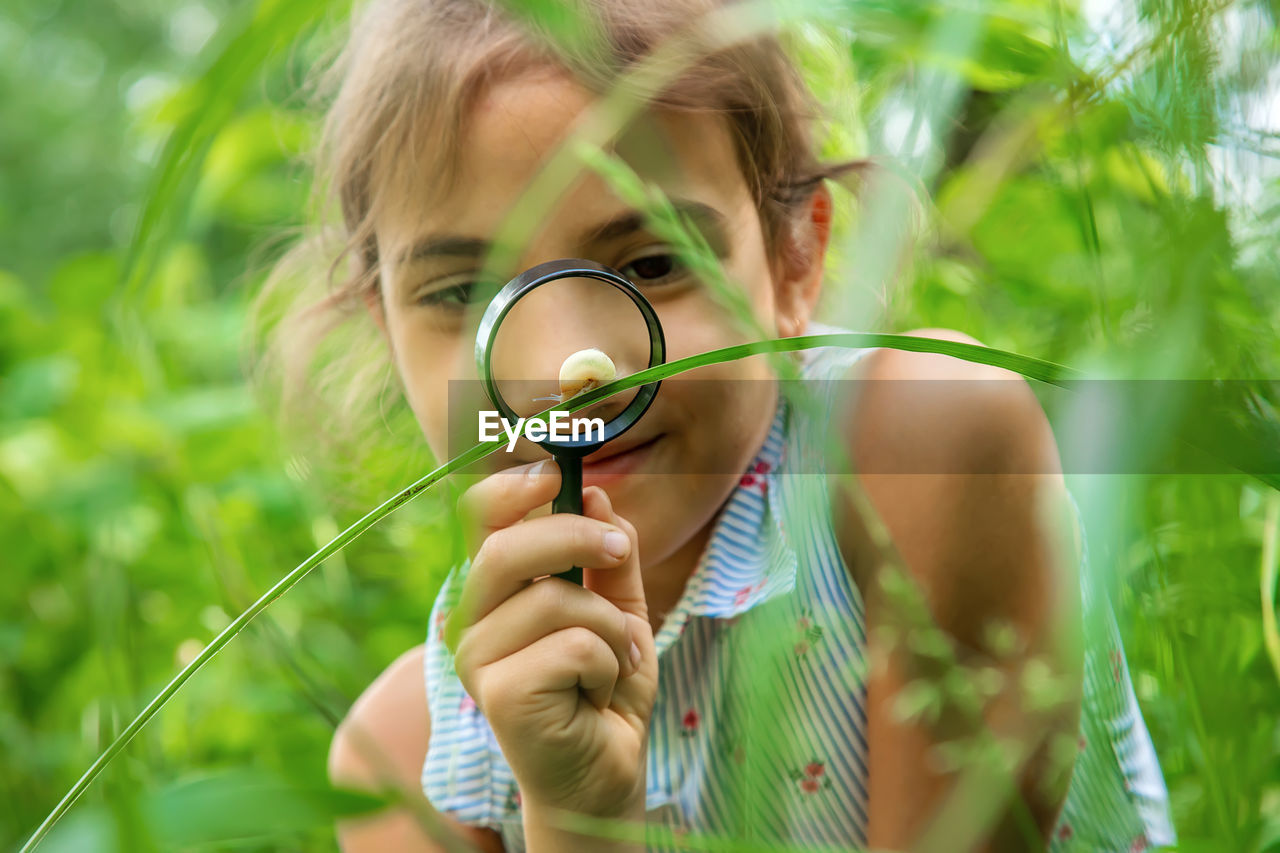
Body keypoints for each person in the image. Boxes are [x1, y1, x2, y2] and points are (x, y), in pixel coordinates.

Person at [255, 0, 1178, 849]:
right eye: (463, 292)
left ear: (796, 262)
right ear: (387, 325)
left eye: (653, 261)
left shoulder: (923, 451)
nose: (569, 372)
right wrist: (576, 817)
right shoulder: (402, 764)